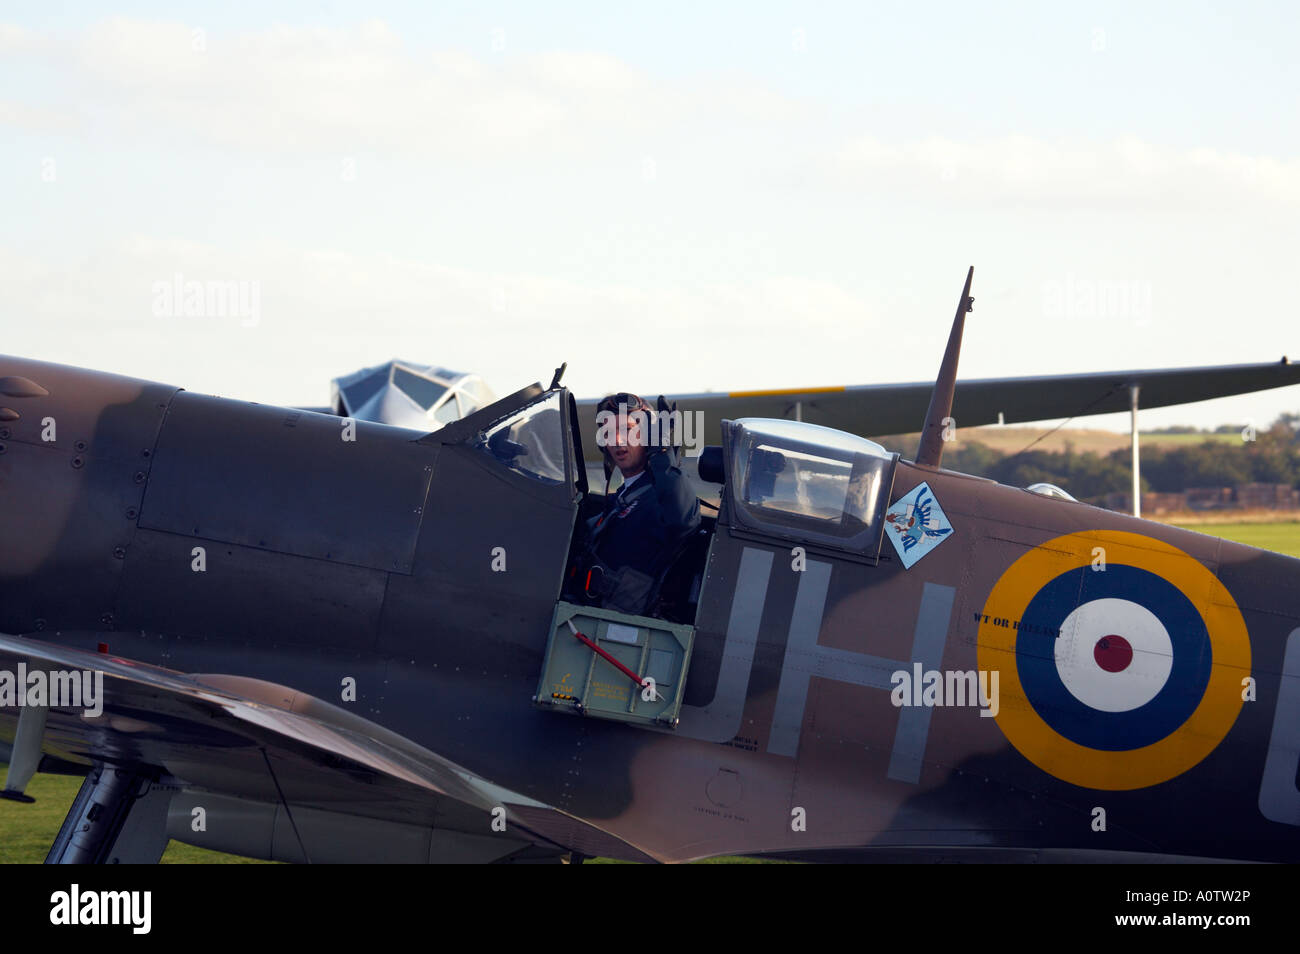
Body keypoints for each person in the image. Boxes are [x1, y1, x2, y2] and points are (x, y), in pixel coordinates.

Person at [570, 392, 701, 616]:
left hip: (619, 626)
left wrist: (662, 454)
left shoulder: (660, 493)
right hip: (588, 612)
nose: (618, 441)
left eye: (628, 430)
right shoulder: (619, 500)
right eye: (609, 432)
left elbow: (684, 523)